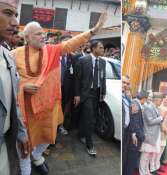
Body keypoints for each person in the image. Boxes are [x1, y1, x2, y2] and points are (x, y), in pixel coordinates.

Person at [11, 12, 107, 175]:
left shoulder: (52, 51)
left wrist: (93, 31)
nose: (42, 36)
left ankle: (37, 155)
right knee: (25, 142)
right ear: (27, 37)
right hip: (27, 110)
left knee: (48, 137)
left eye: (43, 33)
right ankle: (26, 169)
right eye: (38, 34)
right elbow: (8, 82)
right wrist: (23, 87)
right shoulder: (14, 55)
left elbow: (71, 43)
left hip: (49, 106)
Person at [0, 1, 29, 175]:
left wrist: (21, 133)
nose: (15, 22)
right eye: (8, 13)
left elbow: (14, 103)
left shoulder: (8, 57)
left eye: (16, 15)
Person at [74, 40, 106, 156]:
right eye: (101, 48)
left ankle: (81, 134)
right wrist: (77, 94)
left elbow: (103, 78)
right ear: (93, 49)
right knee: (89, 118)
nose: (103, 50)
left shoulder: (102, 62)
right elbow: (77, 79)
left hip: (97, 93)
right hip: (86, 93)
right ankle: (90, 144)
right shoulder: (83, 60)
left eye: (103, 48)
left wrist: (103, 92)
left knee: (88, 116)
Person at [139, 92, 167, 175]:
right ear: (156, 100)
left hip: (154, 135)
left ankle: (147, 171)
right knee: (145, 156)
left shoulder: (155, 108)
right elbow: (150, 122)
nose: (161, 102)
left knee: (149, 155)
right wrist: (161, 116)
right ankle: (142, 172)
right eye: (161, 100)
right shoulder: (148, 107)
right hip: (149, 135)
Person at [123, 91, 147, 175]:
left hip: (134, 136)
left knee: (131, 159)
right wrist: (142, 136)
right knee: (131, 159)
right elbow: (135, 123)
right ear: (143, 99)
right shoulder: (136, 104)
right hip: (135, 138)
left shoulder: (135, 103)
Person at [122, 75, 131, 171]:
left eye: (127, 84)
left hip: (127, 130)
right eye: (123, 82)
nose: (125, 85)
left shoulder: (127, 97)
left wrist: (129, 99)